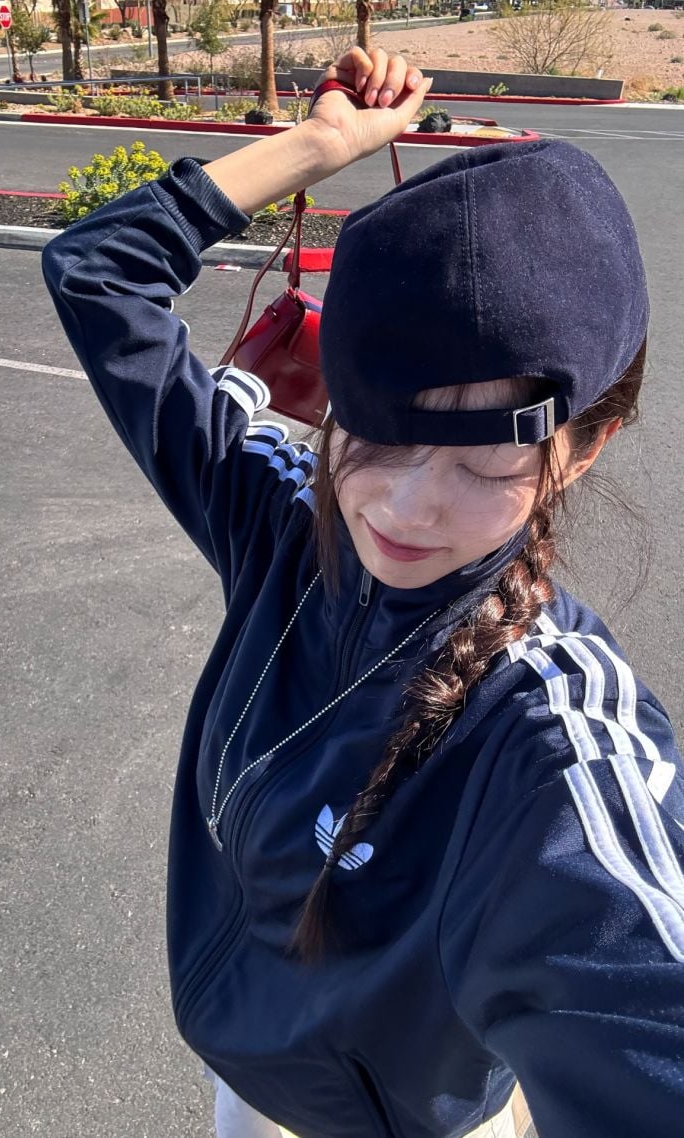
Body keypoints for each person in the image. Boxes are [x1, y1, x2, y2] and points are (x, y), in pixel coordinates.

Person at [42, 47, 684, 1138]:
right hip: (245, 1079)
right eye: (376, 429)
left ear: (585, 448)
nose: (406, 509)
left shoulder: (545, 737)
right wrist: (319, 148)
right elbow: (98, 271)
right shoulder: (280, 516)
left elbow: (634, 984)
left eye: (488, 461)